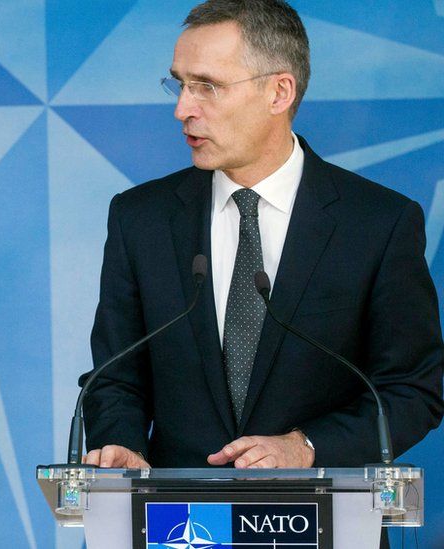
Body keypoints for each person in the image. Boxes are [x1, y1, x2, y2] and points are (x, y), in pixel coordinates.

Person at [82, 0, 443, 470]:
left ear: (279, 93)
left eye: (206, 87)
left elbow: (413, 389)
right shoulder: (140, 218)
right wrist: (123, 445)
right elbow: (114, 378)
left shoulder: (379, 222)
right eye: (180, 83)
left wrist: (308, 447)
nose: (182, 109)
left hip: (320, 526)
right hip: (182, 530)